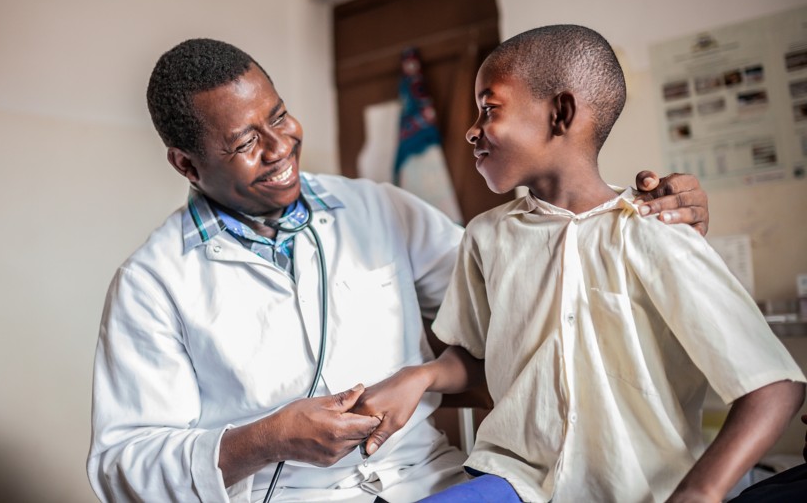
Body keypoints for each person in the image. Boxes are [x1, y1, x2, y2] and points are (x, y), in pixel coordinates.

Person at [87, 37, 712, 503]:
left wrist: (641, 227)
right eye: (246, 142)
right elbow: (121, 464)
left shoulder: (381, 209)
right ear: (187, 165)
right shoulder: (152, 283)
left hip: (429, 482)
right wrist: (269, 439)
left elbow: (531, 291)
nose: (280, 148)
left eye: (278, 116)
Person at [350, 26, 806, 503]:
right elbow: (477, 357)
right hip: (518, 481)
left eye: (489, 108)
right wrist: (420, 376)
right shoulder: (486, 236)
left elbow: (773, 386)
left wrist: (701, 491)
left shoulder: (655, 231)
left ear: (561, 114)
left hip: (639, 489)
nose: (471, 129)